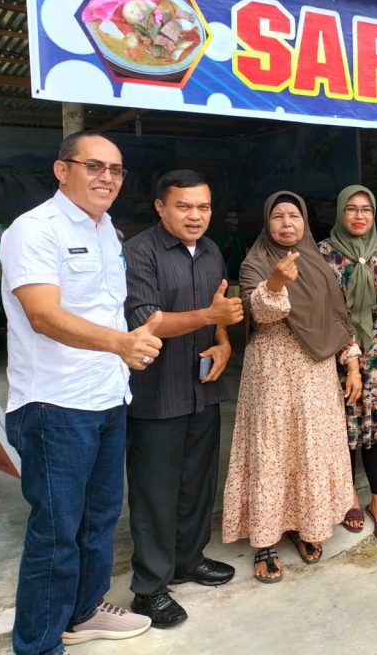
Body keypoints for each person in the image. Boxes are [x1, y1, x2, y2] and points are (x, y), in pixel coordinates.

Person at [0, 131, 162, 655]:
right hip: (54, 405)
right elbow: (43, 315)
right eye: (94, 166)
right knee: (55, 533)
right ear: (61, 169)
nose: (106, 178)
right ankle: (39, 644)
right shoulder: (35, 230)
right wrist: (122, 343)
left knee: (98, 519)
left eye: (115, 170)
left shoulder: (108, 230)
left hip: (106, 399)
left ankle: (84, 611)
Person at [122, 170, 243, 627]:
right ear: (160, 207)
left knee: (197, 481)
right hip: (156, 393)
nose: (196, 216)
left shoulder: (211, 251)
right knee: (155, 492)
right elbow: (146, 321)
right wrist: (209, 315)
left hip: (203, 389)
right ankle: (149, 589)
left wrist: (224, 340)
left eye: (203, 207)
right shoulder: (139, 253)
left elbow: (218, 316)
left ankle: (188, 560)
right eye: (184, 206)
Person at [222, 192, 361, 582]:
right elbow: (261, 314)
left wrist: (351, 365)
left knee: (308, 450)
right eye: (278, 216)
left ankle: (306, 526)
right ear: (267, 223)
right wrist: (277, 281)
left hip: (315, 376)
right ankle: (265, 540)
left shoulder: (317, 262)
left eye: (294, 216)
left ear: (305, 222)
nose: (286, 223)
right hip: (272, 376)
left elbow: (337, 316)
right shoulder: (255, 262)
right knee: (273, 450)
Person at [319, 186, 377, 543]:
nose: (359, 216)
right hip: (338, 353)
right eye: (352, 210)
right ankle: (350, 498)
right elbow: (322, 309)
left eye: (366, 210)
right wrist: (348, 351)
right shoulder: (324, 253)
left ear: (374, 215)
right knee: (344, 430)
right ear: (341, 213)